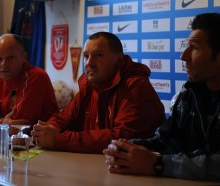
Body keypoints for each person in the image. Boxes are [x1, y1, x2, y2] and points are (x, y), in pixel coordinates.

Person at [103, 13, 220, 182]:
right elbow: (168, 140)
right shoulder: (191, 93)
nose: (183, 56)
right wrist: (127, 148)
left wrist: (159, 164)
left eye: (194, 47)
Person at [30, 31, 166, 154]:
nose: (90, 63)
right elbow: (63, 118)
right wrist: (41, 133)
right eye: (86, 56)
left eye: (98, 55)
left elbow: (121, 138)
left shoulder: (136, 86)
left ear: (118, 59)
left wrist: (58, 139)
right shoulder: (89, 86)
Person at [0, 34, 59, 134]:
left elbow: (18, 125)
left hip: (41, 144)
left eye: (10, 58)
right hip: (16, 143)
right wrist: (0, 124)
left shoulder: (37, 77)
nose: (3, 64)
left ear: (24, 57)